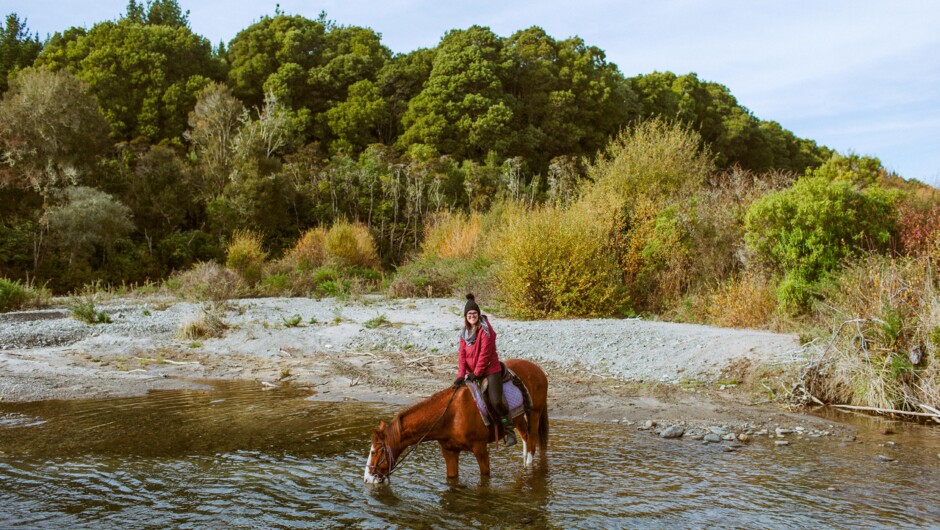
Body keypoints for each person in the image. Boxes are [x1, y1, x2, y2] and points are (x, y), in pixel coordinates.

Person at [454, 293, 516, 447]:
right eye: (469, 314)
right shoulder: (464, 334)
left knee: (496, 402)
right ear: (465, 317)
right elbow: (462, 356)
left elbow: (485, 354)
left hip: (490, 370)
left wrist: (477, 372)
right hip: (473, 372)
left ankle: (509, 431)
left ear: (478, 314)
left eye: (474, 313)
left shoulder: (486, 330)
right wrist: (461, 375)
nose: (472, 316)